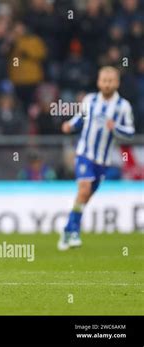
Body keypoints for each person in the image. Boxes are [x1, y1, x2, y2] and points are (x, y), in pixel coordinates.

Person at [58, 66, 135, 250]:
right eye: (104, 80)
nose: (107, 84)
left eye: (111, 81)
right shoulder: (90, 100)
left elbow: (130, 132)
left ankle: (68, 229)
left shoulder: (123, 106)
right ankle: (75, 232)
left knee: (84, 198)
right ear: (98, 82)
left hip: (103, 160)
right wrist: (69, 125)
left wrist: (115, 127)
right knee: (83, 190)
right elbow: (80, 119)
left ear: (117, 83)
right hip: (85, 154)